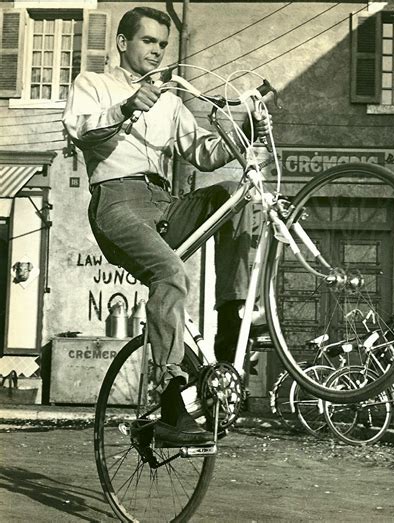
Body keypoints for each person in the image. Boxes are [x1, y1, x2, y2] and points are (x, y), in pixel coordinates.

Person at [63, 7, 271, 446]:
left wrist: (248, 128)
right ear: (123, 43)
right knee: (169, 274)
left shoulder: (171, 101)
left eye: (162, 44)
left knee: (233, 193)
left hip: (164, 206)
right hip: (117, 205)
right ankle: (171, 391)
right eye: (148, 42)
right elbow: (81, 131)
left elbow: (206, 153)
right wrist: (123, 107)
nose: (157, 51)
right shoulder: (93, 84)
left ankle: (232, 322)